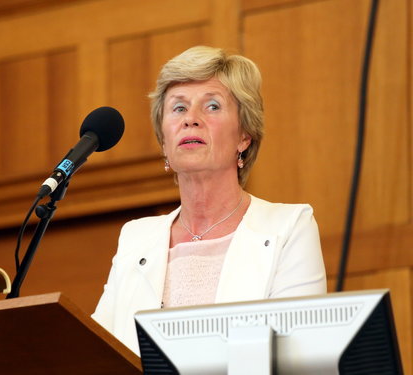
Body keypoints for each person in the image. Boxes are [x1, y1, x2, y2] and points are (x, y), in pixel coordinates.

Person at [92, 46, 326, 355]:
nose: (191, 119)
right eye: (178, 108)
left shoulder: (289, 228)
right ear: (164, 141)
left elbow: (300, 354)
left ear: (244, 136)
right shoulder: (136, 238)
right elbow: (99, 353)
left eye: (212, 106)